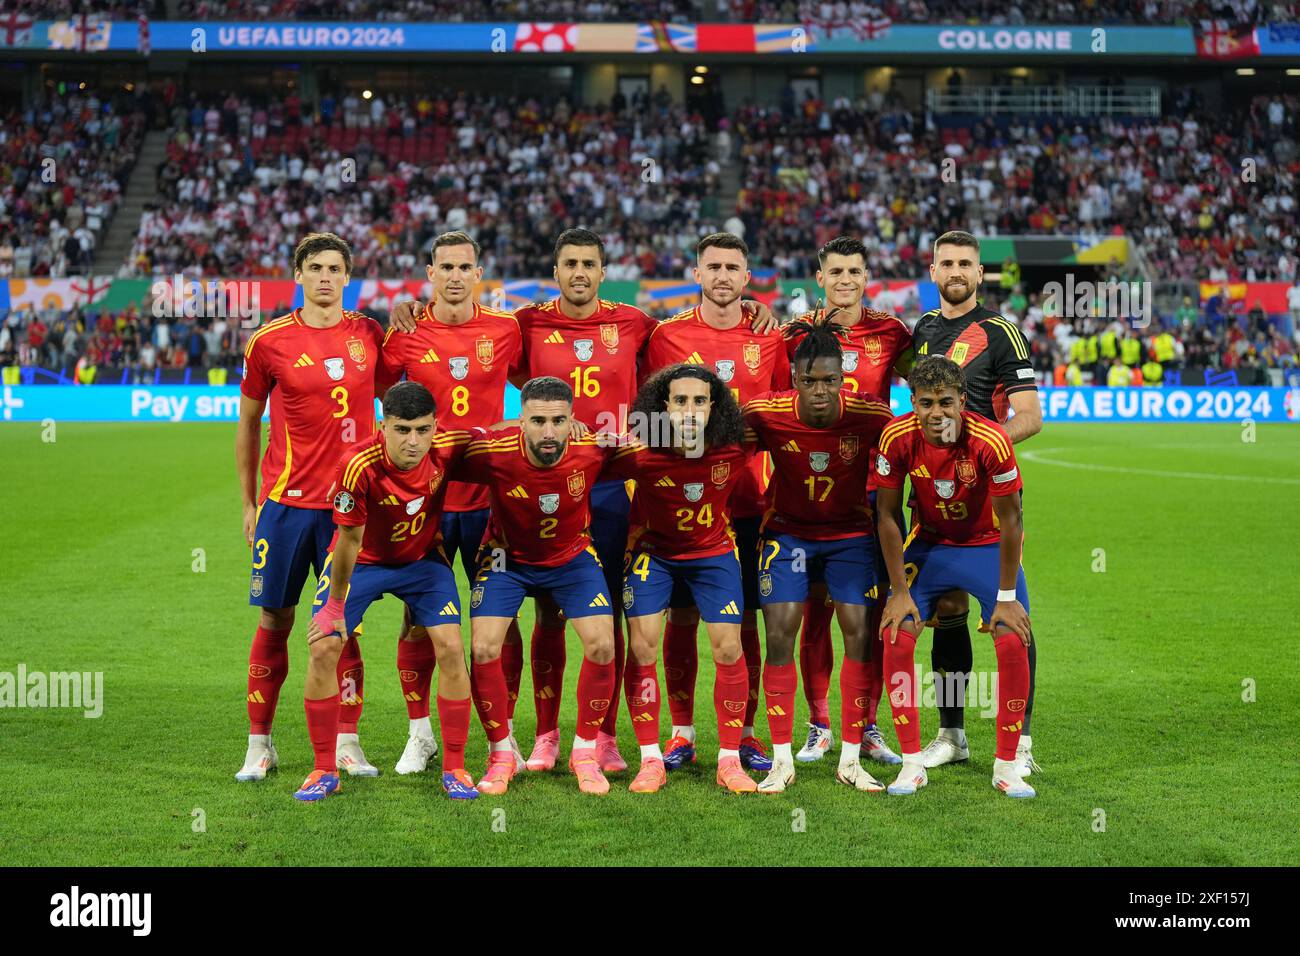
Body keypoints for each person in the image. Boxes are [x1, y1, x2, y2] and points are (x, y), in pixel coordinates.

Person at [234, 232, 394, 783]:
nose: (325, 276)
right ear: (298, 275)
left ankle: (347, 743)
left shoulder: (370, 333)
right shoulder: (269, 341)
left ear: (347, 278)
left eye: (334, 268)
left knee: (339, 625)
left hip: (348, 508)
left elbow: (400, 406)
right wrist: (249, 501)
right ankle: (260, 744)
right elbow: (249, 423)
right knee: (275, 619)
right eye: (315, 267)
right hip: (284, 507)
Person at [642, 232, 790, 773]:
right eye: (714, 267)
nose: (723, 276)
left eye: (733, 267)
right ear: (697, 274)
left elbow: (775, 418)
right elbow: (648, 413)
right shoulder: (666, 336)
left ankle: (745, 732)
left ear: (747, 277)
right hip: (681, 503)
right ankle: (681, 733)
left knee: (744, 620)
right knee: (680, 619)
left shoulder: (769, 336)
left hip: (749, 502)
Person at [381, 230, 525, 775]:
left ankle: (502, 736)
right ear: (430, 273)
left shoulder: (506, 329)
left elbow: (539, 384)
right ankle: (420, 734)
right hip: (427, 502)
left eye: (466, 267)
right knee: (418, 619)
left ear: (479, 273)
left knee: (501, 621)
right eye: (446, 267)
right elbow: (384, 405)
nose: (457, 276)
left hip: (493, 501)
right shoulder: (405, 335)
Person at [301, 382, 477, 801]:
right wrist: (335, 608)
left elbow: (505, 436)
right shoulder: (358, 464)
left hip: (422, 562)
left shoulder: (449, 447)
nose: (413, 441)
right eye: (401, 430)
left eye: (422, 430)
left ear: (436, 426)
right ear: (383, 426)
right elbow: (348, 541)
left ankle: (455, 766)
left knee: (451, 648)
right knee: (325, 646)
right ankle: (323, 769)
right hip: (362, 562)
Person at [911, 230, 1043, 776]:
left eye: (966, 262)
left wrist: (975, 456)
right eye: (948, 262)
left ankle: (1023, 742)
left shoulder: (1000, 331)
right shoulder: (921, 330)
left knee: (1014, 619)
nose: (957, 270)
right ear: (934, 271)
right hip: (933, 505)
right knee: (947, 611)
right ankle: (952, 734)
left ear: (979, 273)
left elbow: (1030, 416)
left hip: (987, 502)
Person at [873, 356, 1035, 799]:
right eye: (926, 403)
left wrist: (1005, 596)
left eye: (946, 402)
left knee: (1011, 634)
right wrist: (899, 592)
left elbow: (1012, 519)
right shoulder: (897, 436)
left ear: (963, 401)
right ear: (914, 402)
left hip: (987, 543)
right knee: (896, 632)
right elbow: (887, 515)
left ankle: (1007, 765)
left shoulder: (991, 440)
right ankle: (910, 764)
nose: (937, 413)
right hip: (932, 544)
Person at [744, 322, 894, 794]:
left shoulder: (872, 416)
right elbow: (717, 451)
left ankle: (850, 757)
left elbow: (910, 455)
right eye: (809, 381)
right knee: (781, 634)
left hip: (850, 536)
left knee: (859, 634)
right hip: (787, 536)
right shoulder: (765, 414)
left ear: (843, 378)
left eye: (829, 380)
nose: (820, 390)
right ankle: (782, 760)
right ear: (793, 378)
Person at [454, 377, 618, 796]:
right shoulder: (494, 451)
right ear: (520, 420)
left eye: (559, 421)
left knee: (602, 644)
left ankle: (584, 752)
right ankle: (501, 754)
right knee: (484, 647)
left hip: (571, 558)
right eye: (538, 421)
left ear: (572, 421)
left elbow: (655, 452)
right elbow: (438, 451)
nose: (549, 432)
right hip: (506, 558)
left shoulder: (595, 447)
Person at [782, 234, 910, 766]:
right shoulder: (794, 335)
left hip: (873, 498)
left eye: (854, 272)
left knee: (872, 615)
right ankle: (818, 724)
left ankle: (869, 724)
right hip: (809, 497)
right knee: (814, 616)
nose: (845, 281)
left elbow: (929, 383)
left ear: (866, 276)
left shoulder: (891, 332)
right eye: (836, 272)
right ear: (820, 278)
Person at [604, 364, 756, 794]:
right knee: (643, 646)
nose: (690, 410)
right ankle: (651, 758)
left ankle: (729, 761)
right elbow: (582, 468)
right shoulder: (638, 452)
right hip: (654, 555)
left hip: (714, 555)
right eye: (680, 401)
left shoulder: (734, 446)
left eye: (700, 401)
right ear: (662, 406)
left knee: (729, 647)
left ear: (714, 407)